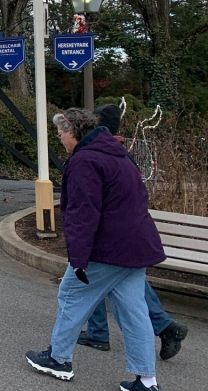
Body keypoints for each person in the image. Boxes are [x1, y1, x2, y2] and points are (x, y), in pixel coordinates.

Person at [25, 108, 166, 391]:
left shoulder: (85, 161)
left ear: (74, 132)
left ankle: (59, 359)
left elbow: (82, 214)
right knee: (134, 311)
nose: (60, 138)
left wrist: (78, 259)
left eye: (61, 133)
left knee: (71, 296)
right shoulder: (118, 155)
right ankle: (147, 381)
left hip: (107, 249)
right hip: (136, 246)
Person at [75, 105, 188, 360]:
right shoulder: (124, 155)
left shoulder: (99, 155)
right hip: (131, 233)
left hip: (110, 234)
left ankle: (97, 335)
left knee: (90, 276)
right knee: (123, 281)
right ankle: (161, 327)